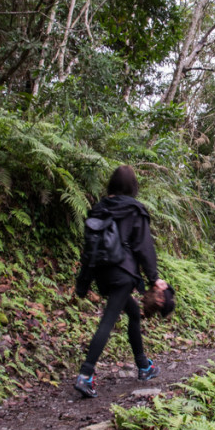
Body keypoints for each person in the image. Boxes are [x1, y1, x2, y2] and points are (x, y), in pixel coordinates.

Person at [73, 165, 167, 398]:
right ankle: (86, 374)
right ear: (132, 186)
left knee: (133, 313)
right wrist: (154, 278)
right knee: (108, 319)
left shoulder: (99, 208)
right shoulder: (134, 209)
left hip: (101, 272)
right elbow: (144, 247)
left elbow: (89, 248)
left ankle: (144, 366)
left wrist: (83, 283)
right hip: (123, 272)